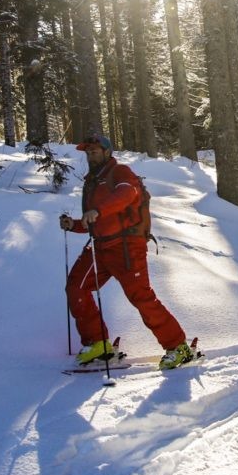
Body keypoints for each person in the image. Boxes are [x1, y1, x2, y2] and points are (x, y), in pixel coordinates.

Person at [60, 133, 193, 370]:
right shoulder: (92, 181)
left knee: (140, 296)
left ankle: (178, 347)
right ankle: (98, 344)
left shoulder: (120, 173)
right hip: (99, 246)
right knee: (76, 287)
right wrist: (75, 225)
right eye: (88, 152)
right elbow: (98, 219)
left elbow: (126, 195)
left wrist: (97, 211)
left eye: (95, 151)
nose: (91, 156)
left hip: (126, 246)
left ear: (107, 152)